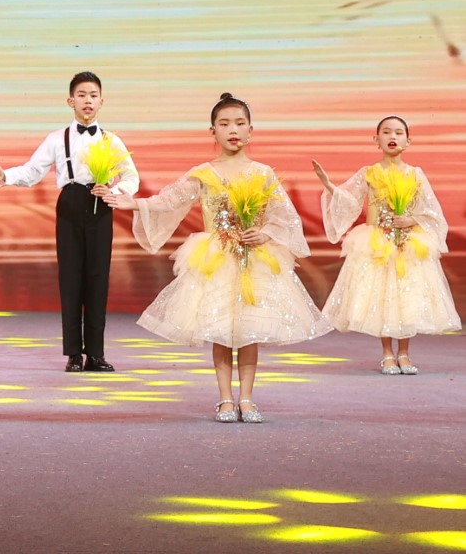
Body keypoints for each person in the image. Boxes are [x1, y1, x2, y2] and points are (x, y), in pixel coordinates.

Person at [105, 93, 331, 423]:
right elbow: (170, 200)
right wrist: (135, 204)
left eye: (239, 123)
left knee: (250, 333)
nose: (232, 130)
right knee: (220, 331)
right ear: (213, 132)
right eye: (224, 124)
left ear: (251, 130)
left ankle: (247, 398)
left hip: (254, 261)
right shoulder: (203, 173)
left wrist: (265, 233)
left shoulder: (263, 173)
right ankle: (225, 398)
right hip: (215, 260)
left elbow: (285, 217)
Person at [0, 71, 138, 371]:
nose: (88, 100)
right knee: (71, 279)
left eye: (93, 95)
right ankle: (73, 355)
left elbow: (131, 177)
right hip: (69, 205)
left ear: (102, 101)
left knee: (97, 279)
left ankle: (96, 354)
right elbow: (33, 171)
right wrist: (6, 176)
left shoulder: (112, 140)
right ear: (71, 101)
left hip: (100, 208)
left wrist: (114, 192)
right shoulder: (56, 139)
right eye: (82, 95)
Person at [312, 116, 460, 374]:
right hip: (377, 243)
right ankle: (387, 354)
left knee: (406, 297)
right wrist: (329, 186)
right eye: (387, 132)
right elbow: (350, 201)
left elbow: (432, 212)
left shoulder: (415, 174)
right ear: (376, 140)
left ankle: (404, 353)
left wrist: (411, 220)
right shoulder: (368, 173)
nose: (393, 137)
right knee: (382, 298)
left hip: (408, 244)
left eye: (399, 132)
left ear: (408, 140)